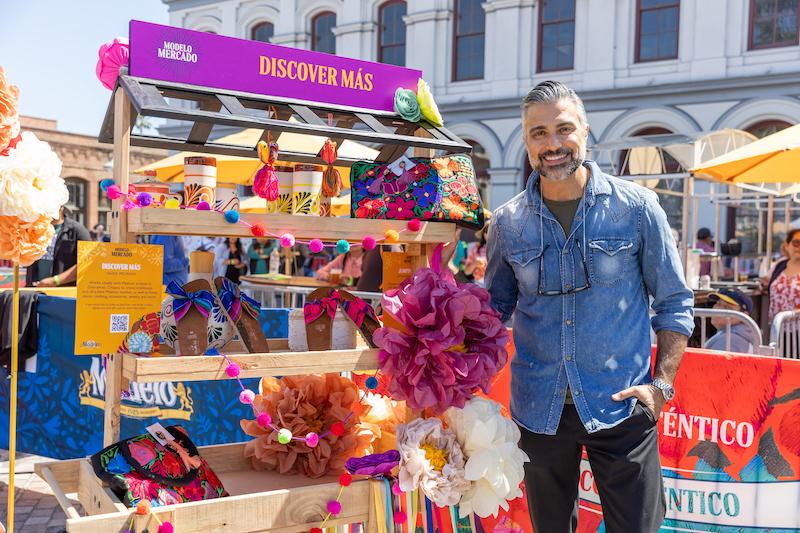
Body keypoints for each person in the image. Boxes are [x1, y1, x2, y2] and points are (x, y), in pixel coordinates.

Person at [485, 81, 694, 532]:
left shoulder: (638, 209)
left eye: (564, 129)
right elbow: (492, 313)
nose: (553, 143)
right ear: (525, 141)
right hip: (538, 412)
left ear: (585, 131)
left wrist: (661, 386)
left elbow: (675, 301)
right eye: (538, 133)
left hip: (623, 404)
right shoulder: (507, 223)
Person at [28, 206, 92, 287]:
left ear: (61, 206)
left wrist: (55, 280)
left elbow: (88, 262)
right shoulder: (34, 228)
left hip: (62, 293)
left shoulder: (78, 230)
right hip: (34, 290)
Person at [704, 288, 754, 353]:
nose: (718, 309)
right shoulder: (735, 333)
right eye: (718, 303)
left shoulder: (730, 341)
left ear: (744, 315)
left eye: (727, 307)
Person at [768, 228, 800, 321]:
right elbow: (766, 281)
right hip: (778, 328)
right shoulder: (780, 265)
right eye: (796, 243)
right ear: (787, 245)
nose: (799, 247)